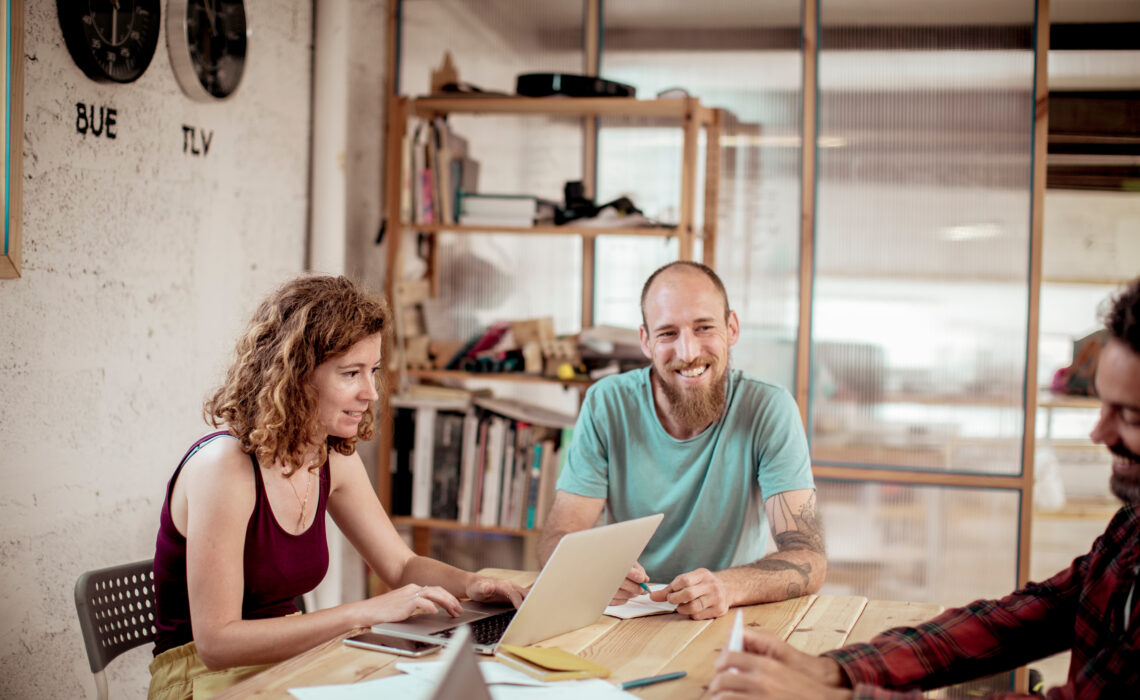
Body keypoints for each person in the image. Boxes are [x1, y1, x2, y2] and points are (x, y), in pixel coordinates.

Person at [710, 276, 1140, 699]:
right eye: (1102, 404)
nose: (1098, 433)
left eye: (1131, 416)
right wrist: (835, 671)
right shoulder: (1131, 526)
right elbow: (1029, 615)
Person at [148, 275, 526, 700]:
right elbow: (217, 645)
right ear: (294, 376)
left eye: (374, 372)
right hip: (199, 679)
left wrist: (471, 583)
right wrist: (363, 612)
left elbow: (400, 567)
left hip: (293, 663)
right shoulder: (225, 467)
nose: (371, 393)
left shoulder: (331, 456)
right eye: (351, 373)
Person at [537, 261, 826, 620]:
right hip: (622, 617)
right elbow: (558, 538)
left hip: (727, 613)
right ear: (645, 341)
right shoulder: (606, 402)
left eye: (704, 328)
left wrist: (728, 587)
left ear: (731, 328)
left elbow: (808, 556)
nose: (688, 352)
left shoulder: (770, 407)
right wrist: (589, 572)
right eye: (667, 333)